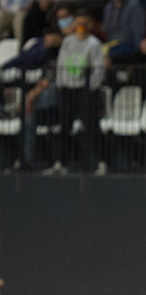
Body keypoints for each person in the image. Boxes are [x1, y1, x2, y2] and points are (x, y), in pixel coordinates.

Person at [23, 9, 104, 174]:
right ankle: (61, 163)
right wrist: (61, 84)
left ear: (89, 24)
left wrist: (91, 88)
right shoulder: (68, 41)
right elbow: (61, 64)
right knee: (64, 127)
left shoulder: (94, 44)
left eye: (84, 23)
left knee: (91, 127)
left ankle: (102, 162)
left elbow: (98, 70)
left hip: (85, 91)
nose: (80, 26)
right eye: (78, 23)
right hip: (67, 90)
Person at [102, 0, 145, 64]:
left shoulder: (134, 6)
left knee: (107, 59)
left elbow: (138, 33)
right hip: (112, 46)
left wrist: (138, 54)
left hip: (128, 46)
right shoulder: (109, 6)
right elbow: (107, 30)